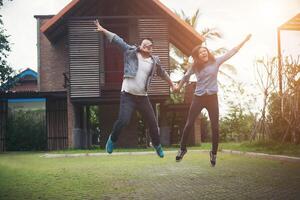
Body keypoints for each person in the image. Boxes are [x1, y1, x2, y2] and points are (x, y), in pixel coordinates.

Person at [94, 20, 175, 158]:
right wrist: (103, 30)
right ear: (140, 45)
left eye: (150, 46)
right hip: (128, 95)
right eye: (145, 44)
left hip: (142, 97)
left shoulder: (154, 61)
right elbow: (117, 40)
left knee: (153, 122)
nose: (147, 47)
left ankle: (157, 145)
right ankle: (112, 140)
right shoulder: (131, 52)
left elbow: (163, 73)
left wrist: (172, 84)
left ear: (152, 49)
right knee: (124, 120)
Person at [174, 34, 251, 166]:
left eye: (205, 51)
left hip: (212, 98)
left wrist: (244, 40)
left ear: (208, 52)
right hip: (198, 98)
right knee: (189, 124)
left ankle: (213, 153)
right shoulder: (195, 66)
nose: (204, 53)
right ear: (197, 56)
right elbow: (186, 77)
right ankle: (182, 149)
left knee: (215, 127)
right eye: (201, 52)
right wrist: (178, 87)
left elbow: (232, 52)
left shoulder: (216, 61)